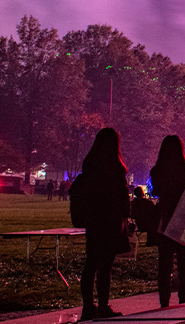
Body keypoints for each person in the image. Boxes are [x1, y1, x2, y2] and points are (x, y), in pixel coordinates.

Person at [69, 128, 131, 320]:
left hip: (94, 221)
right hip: (111, 221)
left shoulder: (90, 166)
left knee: (91, 263)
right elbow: (121, 198)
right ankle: (103, 304)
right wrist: (126, 216)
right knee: (105, 266)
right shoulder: (116, 168)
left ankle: (88, 305)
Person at [151, 135, 185, 308]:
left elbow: (157, 191)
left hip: (166, 219)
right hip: (184, 219)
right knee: (184, 263)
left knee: (164, 263)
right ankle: (183, 299)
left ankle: (164, 301)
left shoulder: (157, 171)